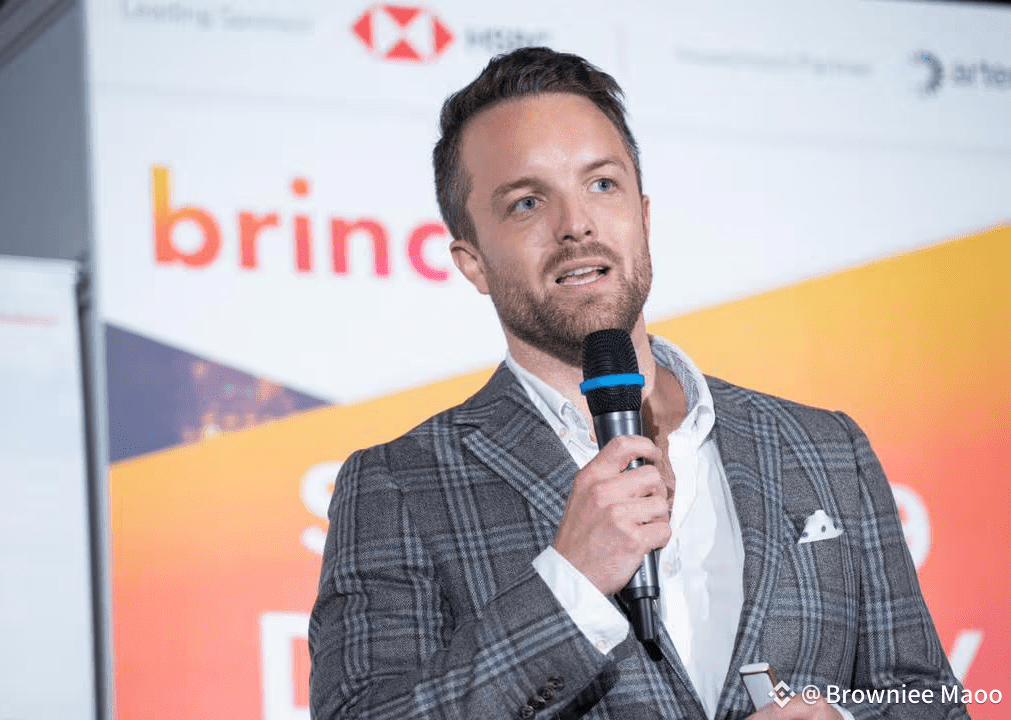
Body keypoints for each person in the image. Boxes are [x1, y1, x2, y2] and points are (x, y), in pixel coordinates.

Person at [308, 47, 967, 720]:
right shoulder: (397, 484)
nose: (576, 225)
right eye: (527, 202)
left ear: (643, 215)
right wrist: (569, 584)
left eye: (602, 184)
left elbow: (928, 701)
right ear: (472, 262)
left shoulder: (825, 448)